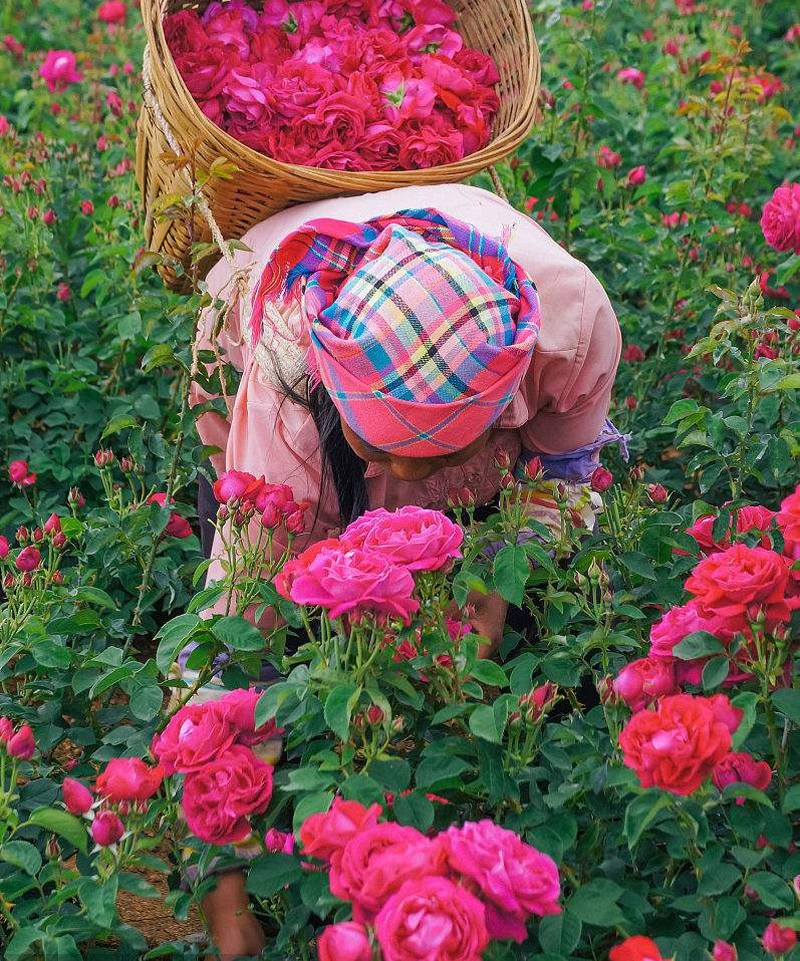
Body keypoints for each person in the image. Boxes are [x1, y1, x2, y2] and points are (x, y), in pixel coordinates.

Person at [186, 181, 623, 959]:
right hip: (264, 303)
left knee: (552, 616)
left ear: (498, 422)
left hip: (457, 278)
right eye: (377, 449)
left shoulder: (570, 330)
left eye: (438, 455)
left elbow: (565, 476)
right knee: (269, 601)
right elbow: (231, 635)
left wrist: (490, 598)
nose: (402, 472)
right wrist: (225, 900)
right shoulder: (289, 406)